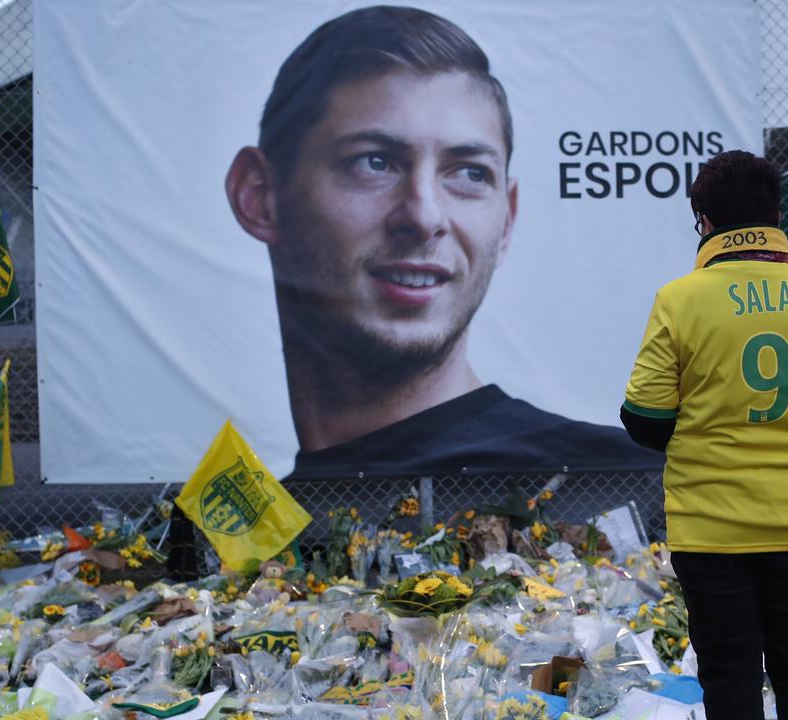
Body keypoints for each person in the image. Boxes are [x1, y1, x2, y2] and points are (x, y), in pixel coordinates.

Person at [226, 6, 658, 479]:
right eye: (373, 163)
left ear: (507, 219)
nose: (425, 216)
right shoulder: (229, 537)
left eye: (470, 174)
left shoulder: (625, 488)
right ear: (260, 197)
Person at [620, 150, 788, 719]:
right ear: (775, 215)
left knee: (730, 681)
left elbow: (644, 420)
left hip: (710, 530)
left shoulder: (679, 300)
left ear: (703, 221)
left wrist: (707, 432)